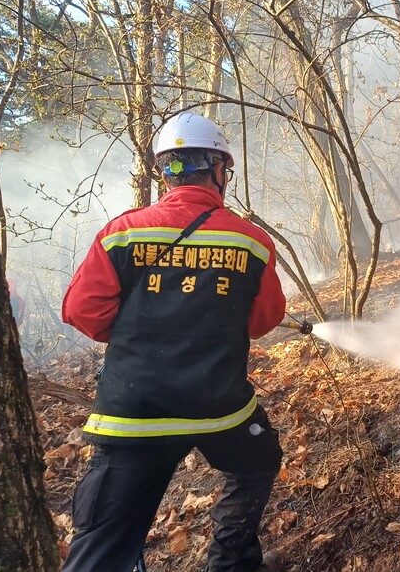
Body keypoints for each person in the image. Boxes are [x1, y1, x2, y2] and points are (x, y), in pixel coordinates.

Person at [62, 113, 288, 572]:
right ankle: (232, 561)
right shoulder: (251, 242)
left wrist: (142, 332)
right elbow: (265, 320)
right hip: (219, 409)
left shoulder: (121, 233)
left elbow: (82, 312)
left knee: (101, 549)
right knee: (258, 461)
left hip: (133, 413)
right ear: (219, 170)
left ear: (165, 171)